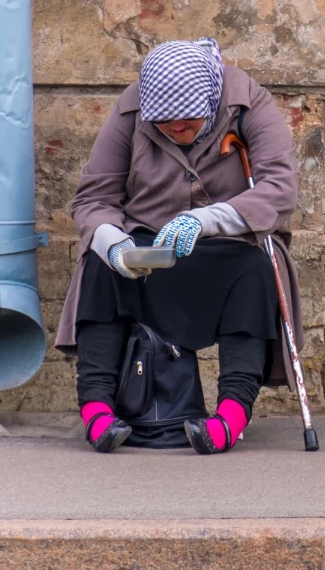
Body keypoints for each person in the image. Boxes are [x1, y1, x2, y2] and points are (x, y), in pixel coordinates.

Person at [54, 38, 301, 455]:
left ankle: (231, 415)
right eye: (164, 122)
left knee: (255, 268)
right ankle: (96, 410)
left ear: (209, 101)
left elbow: (280, 190)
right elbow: (93, 199)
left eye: (187, 119)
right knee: (98, 264)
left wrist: (208, 219)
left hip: (227, 244)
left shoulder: (247, 103)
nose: (176, 129)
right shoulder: (131, 109)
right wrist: (113, 243)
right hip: (146, 243)